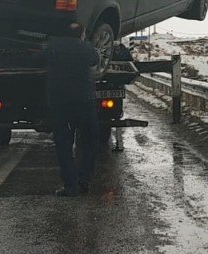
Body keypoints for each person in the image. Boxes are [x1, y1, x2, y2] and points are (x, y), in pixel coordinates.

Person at [33, 22, 100, 197]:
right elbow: (96, 60)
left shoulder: (53, 48)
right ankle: (83, 180)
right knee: (89, 142)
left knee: (63, 144)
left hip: (60, 102)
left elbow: (36, 60)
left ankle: (70, 186)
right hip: (84, 101)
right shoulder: (87, 49)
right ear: (81, 34)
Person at [110, 40, 134, 152]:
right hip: (118, 84)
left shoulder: (105, 48)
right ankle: (119, 144)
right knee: (117, 113)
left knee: (117, 113)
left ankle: (119, 143)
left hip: (115, 84)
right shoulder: (125, 51)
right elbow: (130, 64)